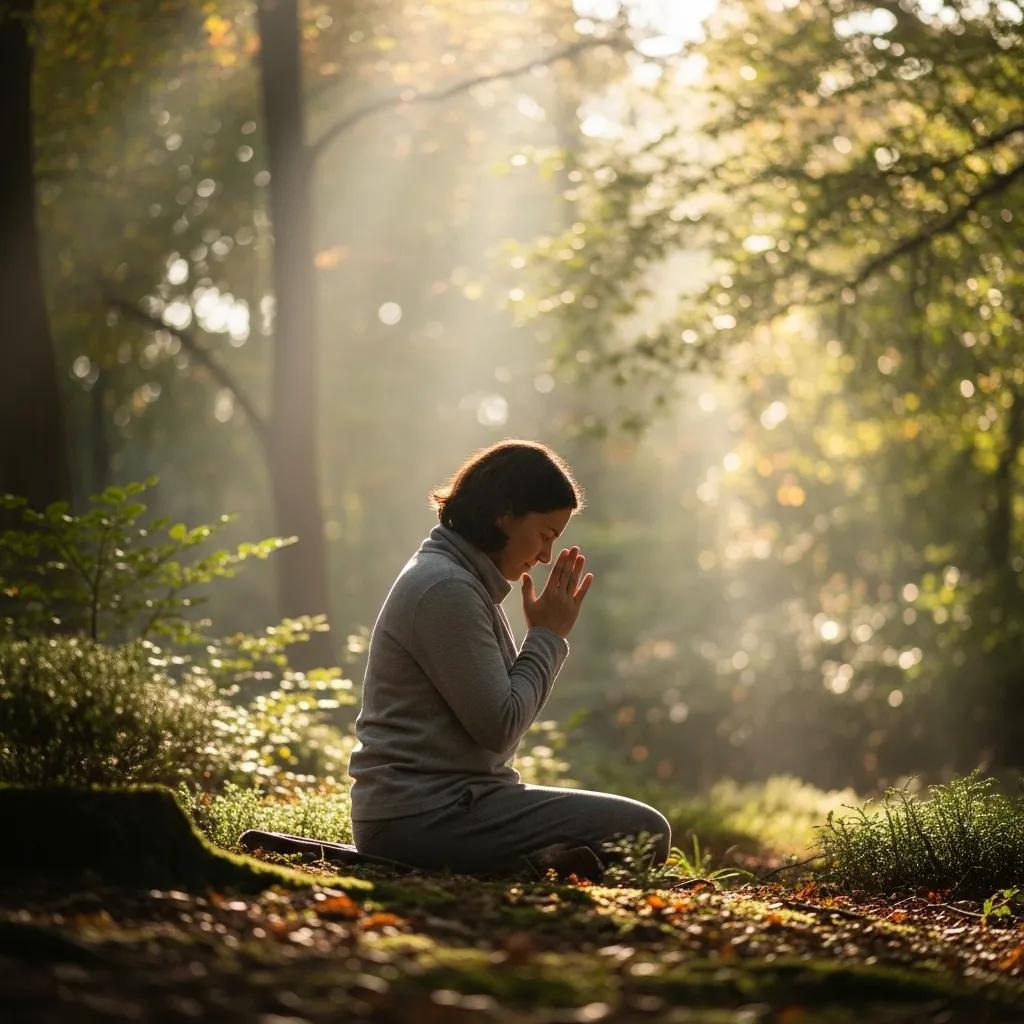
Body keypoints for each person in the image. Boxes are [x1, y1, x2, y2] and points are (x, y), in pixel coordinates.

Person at [347, 439, 671, 879]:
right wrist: (546, 636)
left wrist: (544, 635)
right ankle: (530, 863)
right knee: (644, 831)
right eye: (545, 535)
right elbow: (499, 726)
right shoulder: (446, 589)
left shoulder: (463, 582)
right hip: (421, 817)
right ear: (503, 513)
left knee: (640, 829)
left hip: (451, 805)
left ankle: (535, 862)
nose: (545, 557)